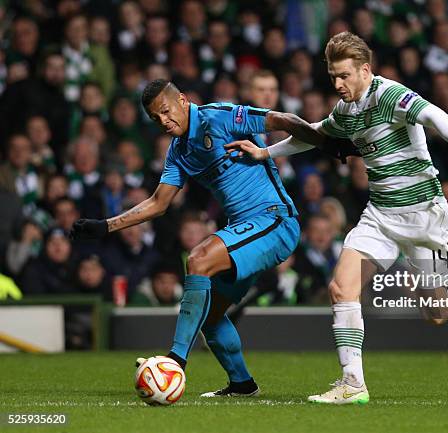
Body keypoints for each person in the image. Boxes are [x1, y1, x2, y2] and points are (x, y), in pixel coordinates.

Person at [228, 32, 448, 405]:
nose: (338, 84)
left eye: (345, 75)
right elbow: (316, 135)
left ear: (365, 70)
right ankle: (352, 383)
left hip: (423, 218)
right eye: (333, 76)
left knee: (438, 311)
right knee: (341, 289)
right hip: (380, 215)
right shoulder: (346, 111)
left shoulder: (389, 95)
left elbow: (434, 114)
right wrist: (265, 152)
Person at [69, 79, 344, 398]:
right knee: (210, 316)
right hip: (248, 231)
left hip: (275, 220)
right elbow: (158, 203)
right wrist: (104, 226)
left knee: (198, 259)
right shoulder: (178, 153)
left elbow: (282, 120)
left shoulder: (220, 116)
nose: (164, 122)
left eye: (166, 111)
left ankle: (174, 362)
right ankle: (242, 384)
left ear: (182, 101)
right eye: (156, 119)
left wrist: (328, 143)